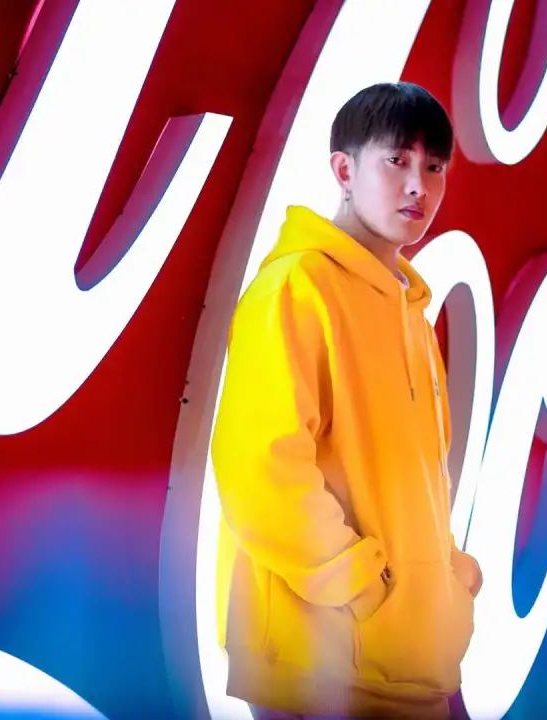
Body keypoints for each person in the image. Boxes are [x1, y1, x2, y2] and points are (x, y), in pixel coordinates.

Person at [211, 82, 482, 720]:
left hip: (409, 660)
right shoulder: (296, 286)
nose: (418, 186)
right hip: (319, 664)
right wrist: (356, 583)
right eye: (397, 160)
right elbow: (260, 468)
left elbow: (416, 484)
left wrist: (448, 582)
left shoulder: (410, 310)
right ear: (343, 170)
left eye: (434, 167)